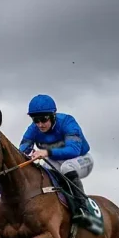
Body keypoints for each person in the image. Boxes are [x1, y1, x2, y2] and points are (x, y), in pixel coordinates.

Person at [19, 94, 94, 225]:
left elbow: (74, 151)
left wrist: (46, 152)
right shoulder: (33, 129)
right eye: (36, 120)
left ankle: (83, 209)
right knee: (43, 171)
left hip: (82, 159)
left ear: (53, 115)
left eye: (44, 119)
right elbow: (22, 150)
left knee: (67, 167)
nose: (40, 124)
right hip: (56, 161)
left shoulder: (67, 122)